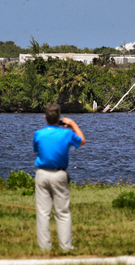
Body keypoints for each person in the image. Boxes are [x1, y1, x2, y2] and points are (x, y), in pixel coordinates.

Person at [33, 104, 86, 251]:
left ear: (45, 118)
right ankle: (66, 247)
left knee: (43, 213)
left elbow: (37, 149)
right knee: (62, 212)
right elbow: (82, 141)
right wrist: (73, 125)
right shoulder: (66, 134)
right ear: (59, 118)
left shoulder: (38, 134)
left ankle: (44, 247)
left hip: (42, 173)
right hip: (59, 174)